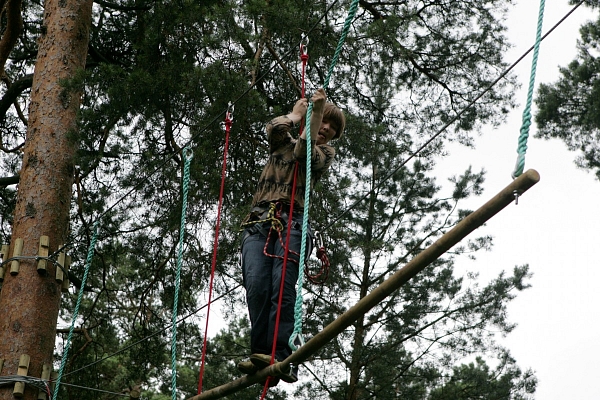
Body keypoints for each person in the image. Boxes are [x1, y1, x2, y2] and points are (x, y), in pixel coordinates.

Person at [238, 88, 345, 385]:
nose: (326, 129)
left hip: (293, 223)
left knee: (281, 287)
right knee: (257, 289)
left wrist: (312, 118)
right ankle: (261, 353)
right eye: (324, 122)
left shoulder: (324, 153)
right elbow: (274, 127)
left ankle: (282, 355)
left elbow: (304, 152)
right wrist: (298, 114)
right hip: (259, 224)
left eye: (332, 129)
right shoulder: (280, 144)